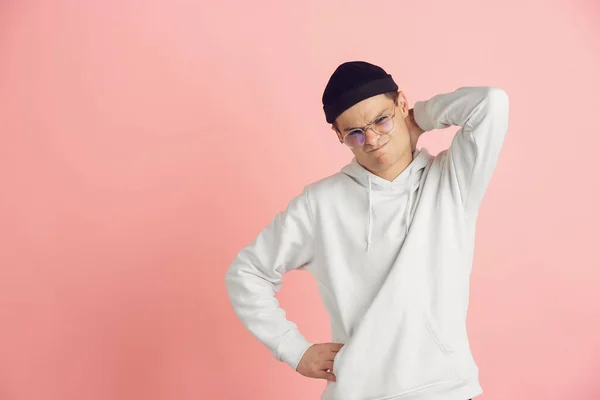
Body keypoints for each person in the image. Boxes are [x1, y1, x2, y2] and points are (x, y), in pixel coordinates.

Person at [225, 60, 509, 400]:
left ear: (401, 104)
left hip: (445, 387)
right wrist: (293, 348)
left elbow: (490, 103)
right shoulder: (320, 204)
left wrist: (419, 118)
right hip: (358, 393)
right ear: (339, 136)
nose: (372, 140)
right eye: (355, 133)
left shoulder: (452, 181)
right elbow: (247, 272)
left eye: (382, 120)